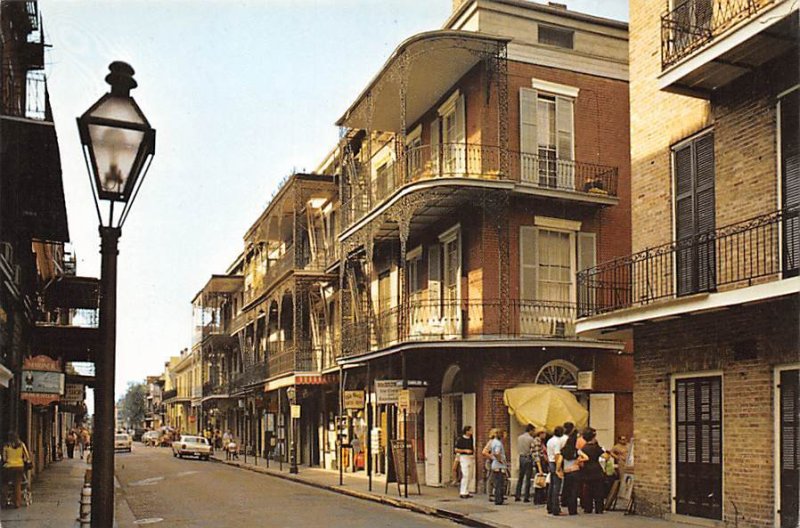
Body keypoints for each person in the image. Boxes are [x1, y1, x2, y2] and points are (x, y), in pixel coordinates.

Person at [558, 428, 586, 515]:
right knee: (575, 490)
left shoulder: (563, 450)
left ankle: (568, 505)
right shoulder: (576, 450)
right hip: (575, 471)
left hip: (567, 472)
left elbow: (559, 461)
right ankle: (573, 510)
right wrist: (578, 461)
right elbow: (586, 457)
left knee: (568, 490)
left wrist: (558, 470)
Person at [579, 429, 606, 514]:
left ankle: (588, 508)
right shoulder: (596, 447)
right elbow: (605, 456)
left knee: (588, 490)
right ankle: (599, 508)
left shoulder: (583, 448)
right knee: (599, 490)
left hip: (586, 470)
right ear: (593, 437)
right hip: (596, 469)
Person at [2, 432, 31, 508]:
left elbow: (4, 458)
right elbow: (27, 456)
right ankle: (17, 503)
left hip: (9, 467)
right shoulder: (21, 445)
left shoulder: (6, 445)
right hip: (19, 466)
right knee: (17, 485)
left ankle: (4, 501)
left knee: (5, 484)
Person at [546, 426, 565, 515]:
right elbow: (557, 455)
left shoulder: (550, 440)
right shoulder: (557, 442)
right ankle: (556, 509)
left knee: (551, 485)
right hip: (555, 463)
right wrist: (559, 469)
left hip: (550, 462)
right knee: (556, 487)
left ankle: (549, 506)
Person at [514, 424, 536, 502]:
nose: (534, 432)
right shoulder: (531, 439)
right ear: (530, 430)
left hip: (521, 457)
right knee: (528, 478)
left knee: (520, 477)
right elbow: (533, 449)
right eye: (533, 431)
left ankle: (517, 495)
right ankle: (526, 496)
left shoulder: (519, 438)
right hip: (528, 457)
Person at [486, 429, 507, 506]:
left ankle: (498, 498)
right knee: (499, 483)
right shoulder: (498, 443)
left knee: (497, 482)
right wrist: (500, 460)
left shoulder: (494, 442)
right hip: (499, 466)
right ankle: (499, 499)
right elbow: (496, 453)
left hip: (495, 465)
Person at [454, 426, 474, 499]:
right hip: (464, 457)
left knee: (470, 475)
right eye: (470, 430)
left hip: (470, 457)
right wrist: (465, 450)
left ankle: (467, 490)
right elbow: (456, 450)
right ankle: (463, 492)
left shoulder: (471, 438)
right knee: (466, 474)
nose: (472, 432)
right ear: (467, 431)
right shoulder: (460, 439)